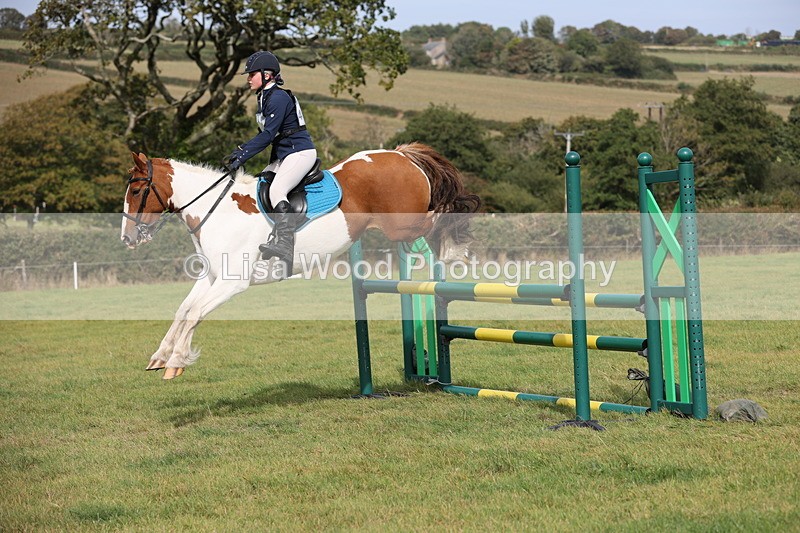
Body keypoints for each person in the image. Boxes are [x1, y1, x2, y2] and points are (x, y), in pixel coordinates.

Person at [223, 51, 317, 265]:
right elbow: (266, 135)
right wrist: (239, 151)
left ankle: (285, 244)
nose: (248, 79)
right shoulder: (265, 97)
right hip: (285, 154)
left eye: (252, 74)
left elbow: (267, 135)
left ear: (267, 75)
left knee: (277, 190)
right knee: (260, 184)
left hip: (299, 152)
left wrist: (242, 156)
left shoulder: (277, 98)